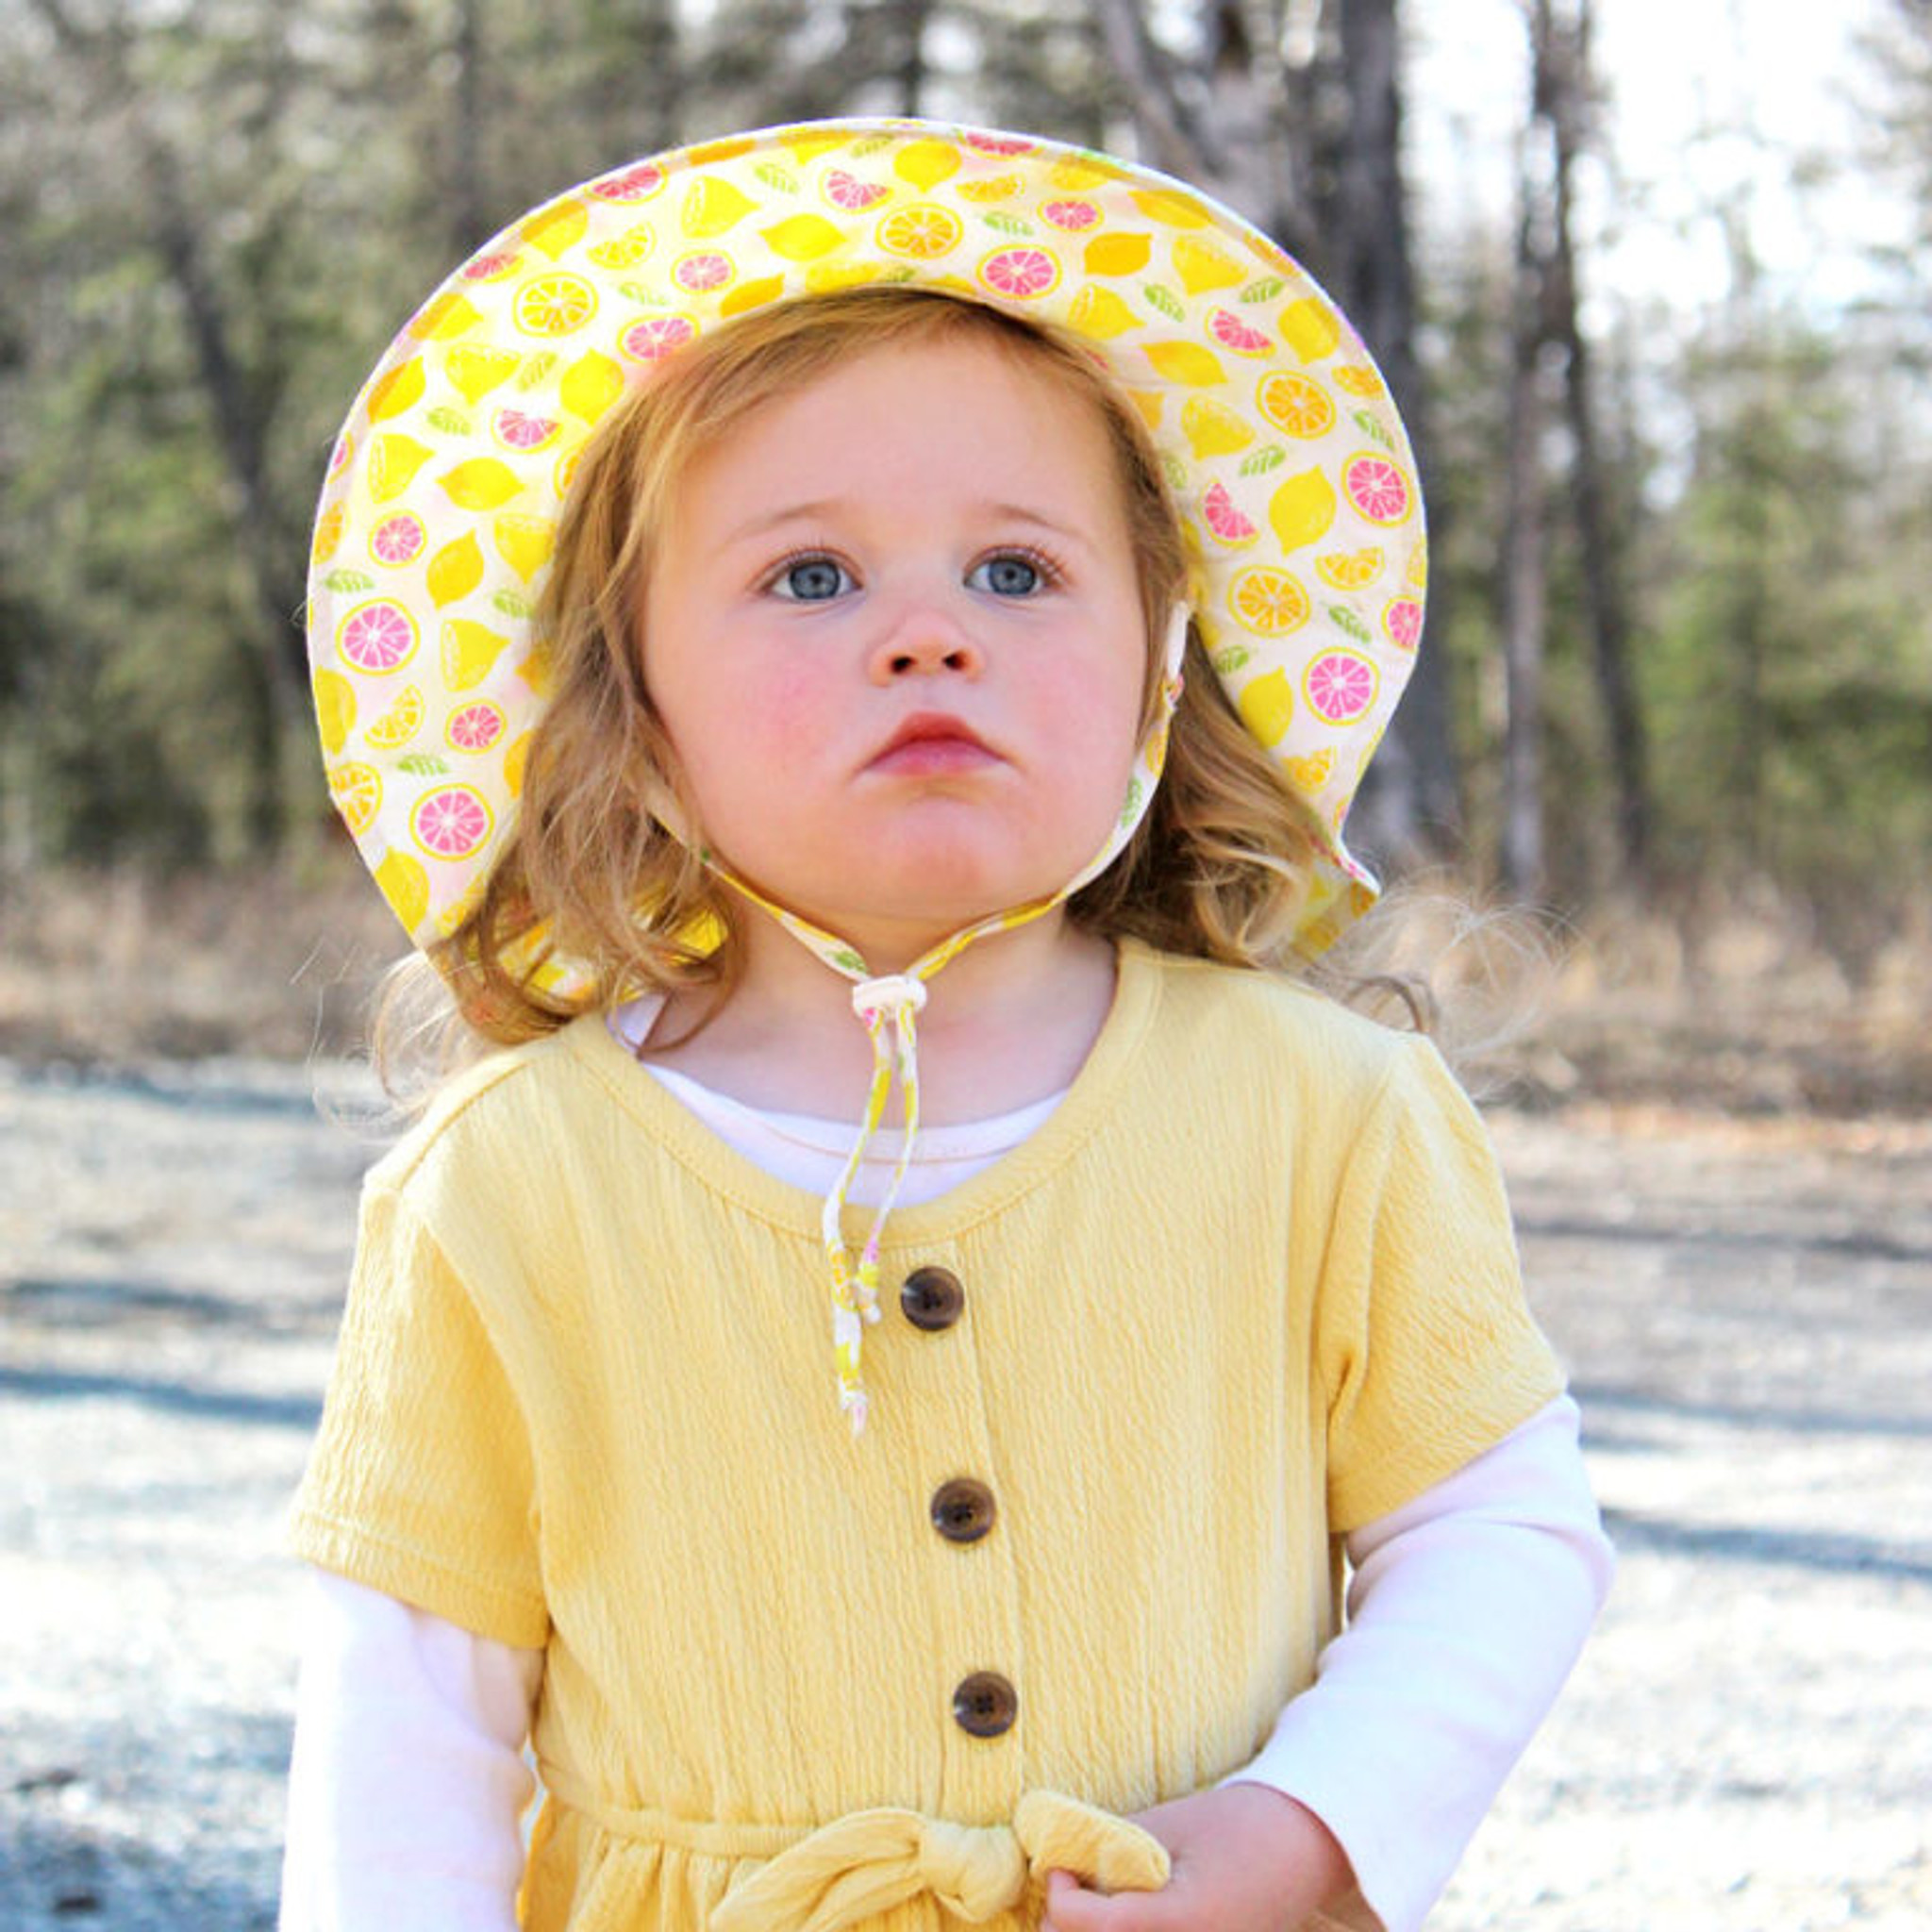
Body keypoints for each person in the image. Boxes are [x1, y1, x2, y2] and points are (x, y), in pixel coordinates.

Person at [281, 119, 1612, 1932]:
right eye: (810, 577)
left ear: (1158, 665)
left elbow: (1500, 1533)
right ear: (634, 707)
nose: (928, 636)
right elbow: (403, 1738)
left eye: (1018, 571)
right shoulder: (504, 1188)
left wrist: (1303, 1829)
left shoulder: (1325, 1116)